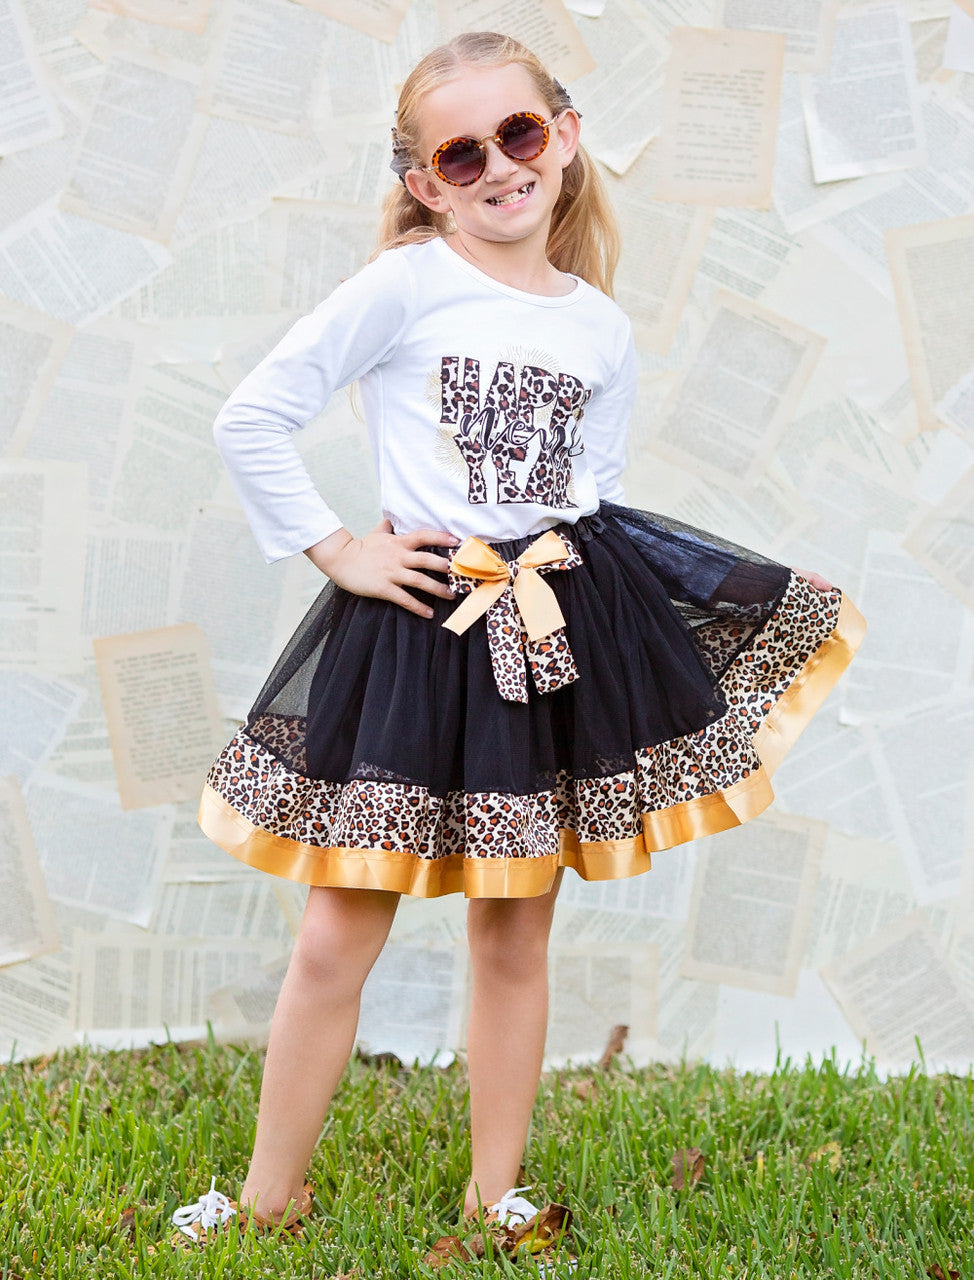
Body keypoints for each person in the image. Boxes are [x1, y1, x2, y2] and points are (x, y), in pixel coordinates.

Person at [170, 30, 864, 1253]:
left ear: (566, 136)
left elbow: (588, 501)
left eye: (521, 133)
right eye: (462, 150)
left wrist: (670, 593)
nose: (499, 165)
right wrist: (340, 550)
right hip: (412, 636)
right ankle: (269, 1187)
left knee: (514, 924)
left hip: (543, 635)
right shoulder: (407, 282)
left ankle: (495, 1188)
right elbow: (254, 414)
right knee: (339, 926)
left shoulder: (599, 327)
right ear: (425, 177)